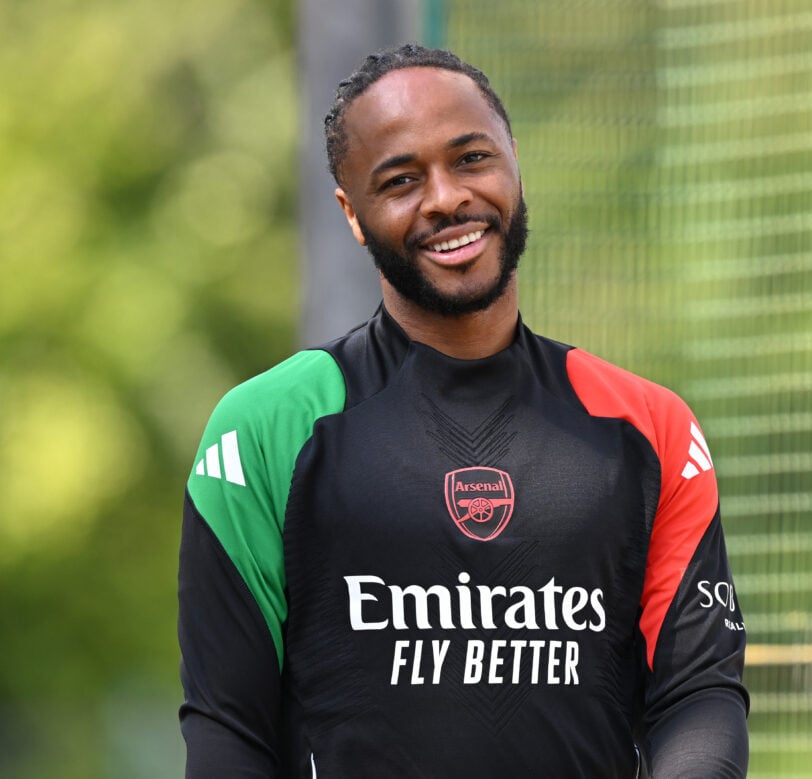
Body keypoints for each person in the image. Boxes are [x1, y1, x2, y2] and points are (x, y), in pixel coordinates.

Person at [178, 43, 749, 778]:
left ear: (515, 162)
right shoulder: (262, 431)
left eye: (471, 158)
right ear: (352, 214)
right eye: (401, 179)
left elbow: (698, 696)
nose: (445, 197)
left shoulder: (652, 427)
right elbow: (228, 729)